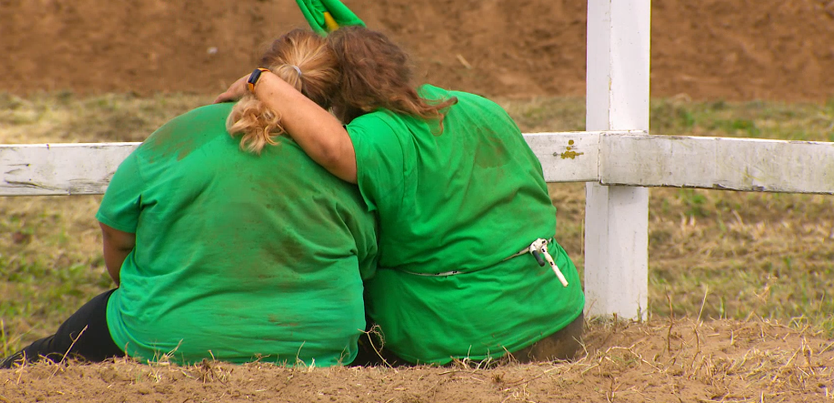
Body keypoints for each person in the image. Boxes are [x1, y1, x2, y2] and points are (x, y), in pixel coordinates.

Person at [0, 29, 377, 368]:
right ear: (331, 97)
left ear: (261, 75)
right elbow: (367, 258)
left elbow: (115, 231)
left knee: (56, 350)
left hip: (167, 334)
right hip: (317, 341)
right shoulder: (350, 156)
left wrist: (130, 284)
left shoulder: (181, 132)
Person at [216, 26, 585, 366]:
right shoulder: (478, 106)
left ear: (334, 92)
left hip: (471, 341)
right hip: (561, 317)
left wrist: (260, 82)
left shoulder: (375, 137)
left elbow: (331, 147)